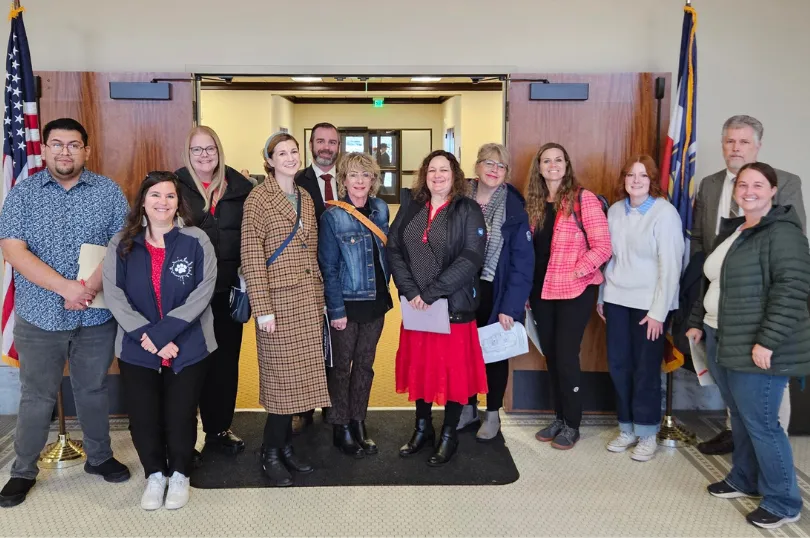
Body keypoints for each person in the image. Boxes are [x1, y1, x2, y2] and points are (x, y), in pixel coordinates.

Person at [0, 118, 131, 508]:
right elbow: (14, 250)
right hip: (39, 315)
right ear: (45, 149)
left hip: (94, 314)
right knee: (36, 395)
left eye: (74, 145)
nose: (65, 152)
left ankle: (100, 457)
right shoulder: (23, 194)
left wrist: (87, 288)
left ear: (86, 151)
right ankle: (23, 470)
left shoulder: (108, 192)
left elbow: (120, 243)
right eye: (57, 144)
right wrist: (66, 288)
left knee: (92, 390)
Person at [686, 162, 810, 529]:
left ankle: (784, 500)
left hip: (756, 345)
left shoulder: (784, 234)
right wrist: (696, 322)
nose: (749, 190)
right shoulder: (737, 230)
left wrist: (767, 341)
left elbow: (792, 292)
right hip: (720, 335)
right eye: (743, 184)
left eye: (758, 185)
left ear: (774, 191)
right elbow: (714, 282)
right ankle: (744, 478)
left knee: (763, 424)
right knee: (739, 417)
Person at [691, 115, 805, 456]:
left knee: (765, 395)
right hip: (719, 301)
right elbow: (700, 238)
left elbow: (791, 238)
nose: (735, 147)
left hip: (758, 302)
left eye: (743, 141)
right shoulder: (709, 184)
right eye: (729, 141)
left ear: (757, 146)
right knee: (731, 383)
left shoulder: (784, 182)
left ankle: (772, 445)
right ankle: (734, 438)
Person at [103, 172, 217, 511]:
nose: (162, 202)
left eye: (169, 196)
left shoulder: (196, 240)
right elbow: (115, 295)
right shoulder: (122, 242)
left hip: (189, 344)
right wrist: (150, 339)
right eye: (155, 195)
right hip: (137, 348)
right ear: (143, 201)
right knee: (143, 415)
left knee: (181, 413)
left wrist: (164, 334)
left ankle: (180, 473)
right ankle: (155, 474)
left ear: (178, 203)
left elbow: (203, 291)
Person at [241, 132, 331, 486]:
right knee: (281, 384)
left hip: (307, 300)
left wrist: (321, 298)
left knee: (302, 381)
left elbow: (311, 251)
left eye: (294, 151)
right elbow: (252, 256)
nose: (290, 157)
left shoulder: (306, 197)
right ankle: (270, 452)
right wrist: (262, 308)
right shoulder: (258, 198)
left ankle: (286, 448)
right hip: (276, 304)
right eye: (282, 153)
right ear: (270, 159)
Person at [389, 149, 488, 466]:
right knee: (420, 370)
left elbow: (471, 257)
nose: (437, 175)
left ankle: (448, 435)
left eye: (444, 170)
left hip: (452, 308)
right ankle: (422, 429)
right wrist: (410, 290)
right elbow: (394, 249)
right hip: (416, 308)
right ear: (424, 175)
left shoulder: (467, 209)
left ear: (454, 174)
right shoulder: (411, 206)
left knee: (452, 373)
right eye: (431, 170)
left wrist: (431, 293)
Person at [596, 155, 683, 462]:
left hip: (649, 307)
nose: (636, 181)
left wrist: (659, 312)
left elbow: (670, 267)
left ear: (652, 180)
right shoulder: (616, 211)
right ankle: (627, 428)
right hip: (618, 301)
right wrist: (602, 296)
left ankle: (647, 433)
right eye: (631, 175)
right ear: (624, 179)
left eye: (643, 176)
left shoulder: (664, 213)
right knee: (620, 367)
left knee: (645, 371)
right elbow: (610, 258)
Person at [525, 142, 611, 450]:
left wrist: (576, 271)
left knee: (566, 357)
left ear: (567, 164)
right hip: (540, 292)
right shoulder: (534, 203)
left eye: (558, 159)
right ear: (539, 167)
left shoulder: (582, 199)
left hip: (574, 292)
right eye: (546, 160)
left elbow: (603, 246)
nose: (552, 165)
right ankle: (559, 418)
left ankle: (572, 423)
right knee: (551, 356)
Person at [175, 126, 253, 459]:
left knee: (225, 364)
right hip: (188, 296)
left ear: (219, 151)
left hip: (227, 292)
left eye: (210, 149)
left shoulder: (241, 186)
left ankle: (219, 429)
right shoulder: (173, 186)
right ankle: (185, 437)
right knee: (191, 366)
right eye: (197, 150)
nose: (204, 155)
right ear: (187, 153)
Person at [455, 144, 534, 441]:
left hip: (494, 289)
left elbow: (522, 263)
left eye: (500, 166)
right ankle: (467, 407)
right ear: (476, 167)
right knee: (463, 351)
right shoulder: (459, 197)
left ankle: (492, 414)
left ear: (506, 173)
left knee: (494, 354)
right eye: (488, 163)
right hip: (460, 286)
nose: (493, 169)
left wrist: (511, 307)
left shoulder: (514, 205)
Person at [318, 152, 392, 458]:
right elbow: (329, 268)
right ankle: (340, 426)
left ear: (373, 180)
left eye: (366, 175)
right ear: (343, 180)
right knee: (341, 369)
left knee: (365, 365)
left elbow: (386, 255)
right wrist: (335, 311)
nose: (359, 181)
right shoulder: (332, 216)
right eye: (353, 175)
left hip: (376, 302)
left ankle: (359, 420)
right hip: (347, 304)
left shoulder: (381, 209)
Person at [294, 122, 340, 432]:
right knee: (307, 341)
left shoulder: (350, 180)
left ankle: (333, 405)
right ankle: (305, 407)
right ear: (311, 145)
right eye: (320, 141)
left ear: (339, 146)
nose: (326, 147)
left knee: (337, 341)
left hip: (340, 276)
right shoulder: (296, 181)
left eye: (332, 142)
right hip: (305, 274)